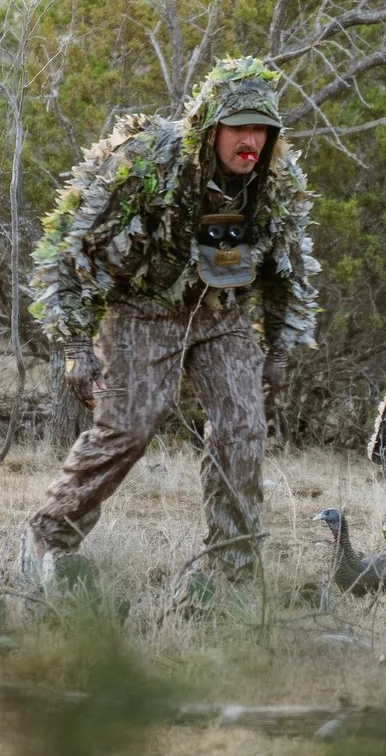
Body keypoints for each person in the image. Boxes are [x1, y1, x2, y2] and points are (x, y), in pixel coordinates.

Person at [24, 56, 320, 592]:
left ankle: (232, 573)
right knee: (130, 427)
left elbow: (288, 270)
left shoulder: (275, 181)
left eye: (260, 128)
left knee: (243, 425)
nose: (249, 140)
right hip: (141, 309)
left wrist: (277, 351)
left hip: (222, 312)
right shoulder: (146, 162)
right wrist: (74, 342)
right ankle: (50, 538)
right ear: (210, 127)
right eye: (239, 127)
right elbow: (70, 248)